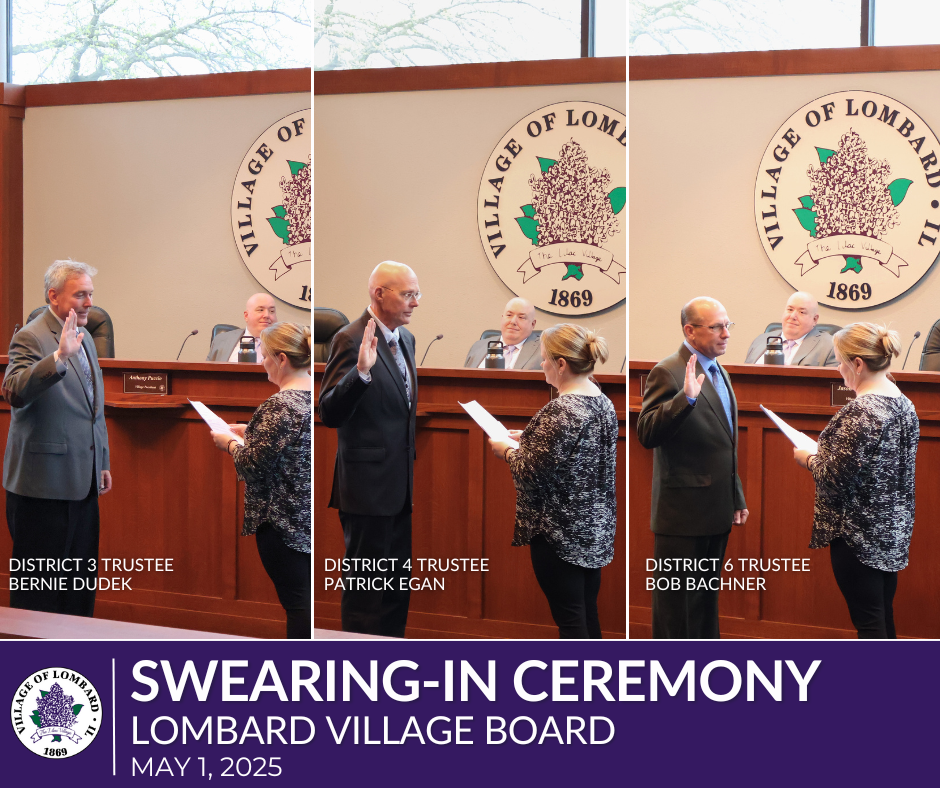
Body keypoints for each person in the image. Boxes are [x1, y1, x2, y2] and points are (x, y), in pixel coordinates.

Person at [488, 324, 617, 639]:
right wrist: (530, 438)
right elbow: (572, 453)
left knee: (571, 622)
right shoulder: (602, 401)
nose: (540, 364)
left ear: (561, 364)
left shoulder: (562, 410)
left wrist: (506, 450)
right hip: (593, 526)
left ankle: (576, 686)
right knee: (586, 614)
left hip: (560, 532)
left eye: (544, 358)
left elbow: (532, 473)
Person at [793, 323, 918, 639]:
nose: (839, 368)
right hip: (892, 531)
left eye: (840, 361)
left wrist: (807, 457)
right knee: (881, 619)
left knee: (870, 626)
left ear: (858, 364)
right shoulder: (904, 403)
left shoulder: (863, 410)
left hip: (859, 535)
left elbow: (834, 477)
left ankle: (875, 689)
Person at [3, 259, 111, 616]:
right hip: (42, 489)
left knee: (78, 591)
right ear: (54, 296)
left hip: (83, 484)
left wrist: (103, 462)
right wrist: (59, 356)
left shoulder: (87, 337)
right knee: (38, 596)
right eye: (80, 295)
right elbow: (14, 391)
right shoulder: (31, 336)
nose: (89, 303)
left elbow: (94, 407)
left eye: (90, 295)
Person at [318, 261, 420, 637]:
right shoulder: (350, 338)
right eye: (408, 294)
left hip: (400, 487)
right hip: (366, 489)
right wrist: (359, 374)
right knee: (365, 592)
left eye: (416, 293)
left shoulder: (406, 339)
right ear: (380, 294)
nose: (416, 302)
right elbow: (329, 411)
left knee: (395, 589)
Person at [637, 296, 748, 639]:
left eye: (728, 325)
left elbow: (723, 442)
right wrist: (682, 400)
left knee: (703, 604)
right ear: (690, 330)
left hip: (715, 507)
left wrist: (736, 495)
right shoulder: (668, 370)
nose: (726, 333)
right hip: (683, 514)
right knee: (677, 609)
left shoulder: (719, 370)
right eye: (717, 327)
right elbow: (647, 433)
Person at [210, 322, 311, 639]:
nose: (261, 362)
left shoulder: (280, 404)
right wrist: (249, 430)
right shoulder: (309, 395)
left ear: (282, 359)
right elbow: (286, 445)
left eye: (264, 355)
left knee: (298, 606)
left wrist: (227, 442)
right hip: (304, 521)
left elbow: (254, 465)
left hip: (282, 523)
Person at [744, 291, 838, 366]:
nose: (793, 316)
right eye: (790, 310)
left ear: (815, 319)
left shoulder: (829, 347)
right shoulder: (760, 340)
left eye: (802, 312)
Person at [464, 297, 541, 370]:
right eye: (509, 315)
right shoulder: (478, 346)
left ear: (533, 324)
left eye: (521, 317)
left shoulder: (544, 352)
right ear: (502, 318)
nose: (513, 321)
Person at [206, 293, 278, 362]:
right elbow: (207, 373)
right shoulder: (221, 340)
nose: (267, 315)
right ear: (246, 316)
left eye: (271, 311)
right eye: (260, 310)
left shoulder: (285, 344)